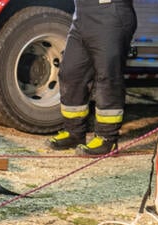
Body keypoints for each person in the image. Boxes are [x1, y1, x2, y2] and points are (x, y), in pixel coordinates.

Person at [47, 0, 137, 156]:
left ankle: (106, 139)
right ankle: (74, 132)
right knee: (70, 73)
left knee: (108, 78)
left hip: (110, 13)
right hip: (82, 15)